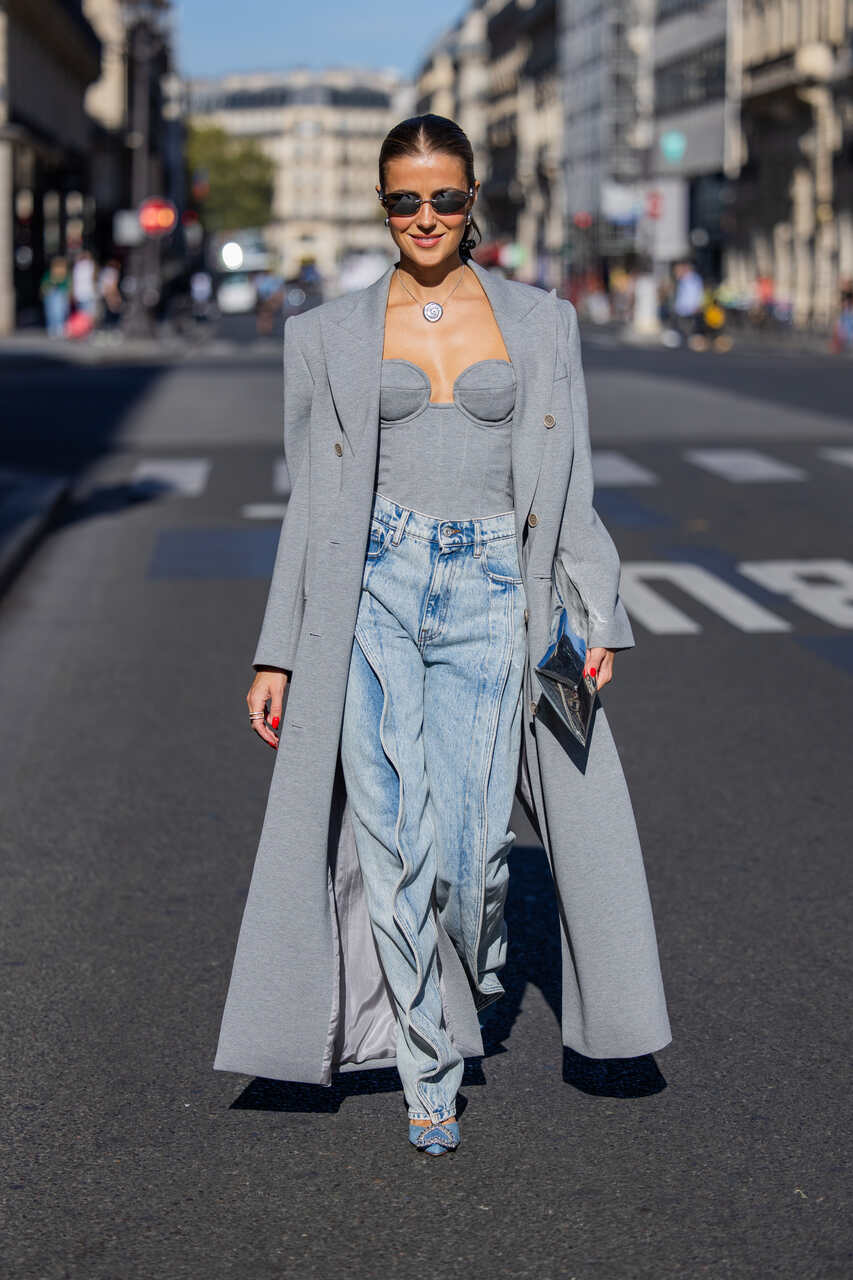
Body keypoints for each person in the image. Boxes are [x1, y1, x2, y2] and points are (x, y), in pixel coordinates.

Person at [214, 114, 671, 1157]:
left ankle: (472, 969)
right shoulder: (323, 336)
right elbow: (310, 503)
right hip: (370, 587)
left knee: (471, 854)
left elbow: (573, 483)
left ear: (475, 203)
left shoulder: (540, 323)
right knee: (389, 834)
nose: (425, 218)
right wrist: (277, 646)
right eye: (405, 200)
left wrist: (592, 611)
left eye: (446, 199)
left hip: (493, 594)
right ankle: (429, 1062)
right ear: (383, 206)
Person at [40, 256, 71, 337]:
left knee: (61, 311)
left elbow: (67, 286)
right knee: (51, 312)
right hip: (51, 295)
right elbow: (44, 285)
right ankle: (52, 328)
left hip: (61, 295)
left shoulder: (65, 275)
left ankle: (60, 328)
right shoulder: (48, 274)